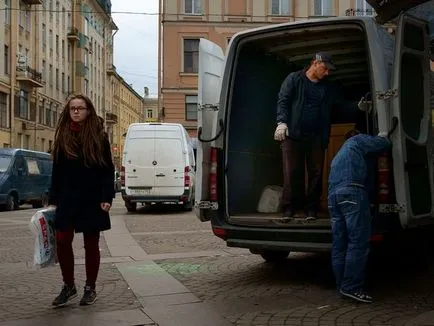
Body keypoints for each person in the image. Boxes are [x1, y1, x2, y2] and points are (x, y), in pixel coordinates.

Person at [274, 52, 371, 220]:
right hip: (293, 135)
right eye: (325, 69)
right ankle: (289, 208)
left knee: (316, 174)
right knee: (291, 173)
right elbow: (283, 100)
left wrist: (357, 106)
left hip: (317, 137)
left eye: (328, 71)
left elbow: (340, 106)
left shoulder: (328, 88)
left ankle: (311, 209)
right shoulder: (294, 79)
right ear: (315, 63)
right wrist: (281, 122)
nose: (327, 73)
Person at [49, 94, 115, 307]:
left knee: (90, 244)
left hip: (92, 198)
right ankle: (69, 286)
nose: (76, 111)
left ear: (88, 111)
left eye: (80, 108)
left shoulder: (98, 136)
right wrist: (54, 198)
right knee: (62, 240)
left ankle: (90, 287)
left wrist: (107, 197)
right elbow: (57, 170)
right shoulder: (63, 136)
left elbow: (107, 169)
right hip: (67, 197)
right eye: (72, 108)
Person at [327, 129, 392, 303]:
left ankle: (342, 286)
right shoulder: (357, 141)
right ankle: (352, 287)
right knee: (358, 242)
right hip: (352, 193)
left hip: (333, 197)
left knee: (340, 244)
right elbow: (384, 144)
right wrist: (383, 135)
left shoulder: (337, 156)